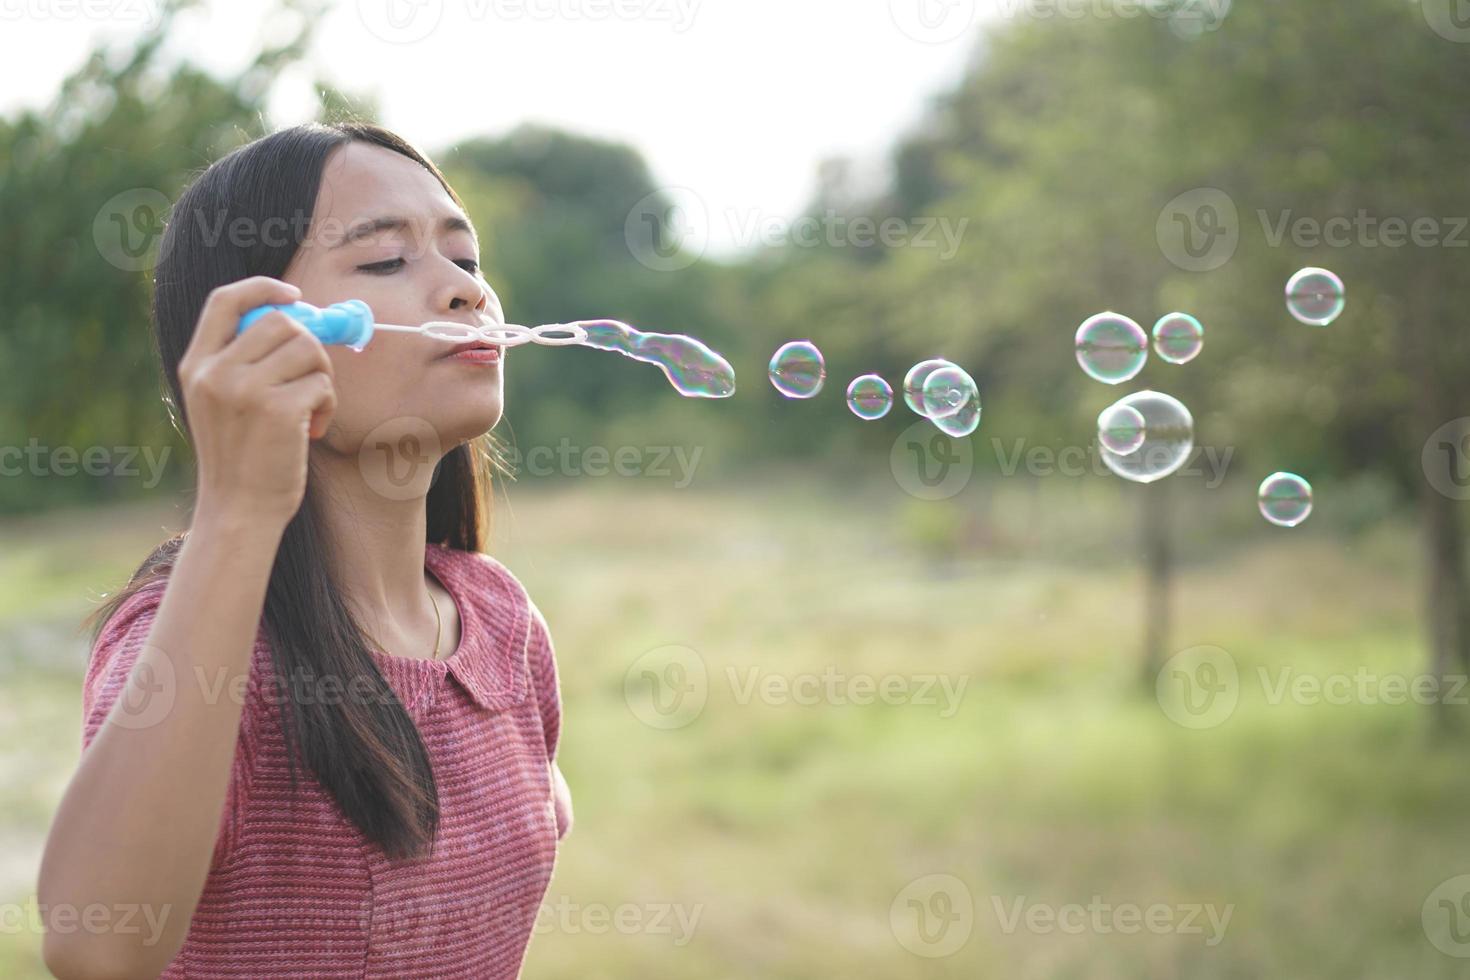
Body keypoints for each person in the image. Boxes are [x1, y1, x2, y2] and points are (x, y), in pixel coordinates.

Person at [37, 121, 572, 979]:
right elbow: (94, 946)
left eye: (466, 261)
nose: (466, 292)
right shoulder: (206, 645)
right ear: (263, 335)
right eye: (385, 262)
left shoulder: (500, 618)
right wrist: (240, 508)